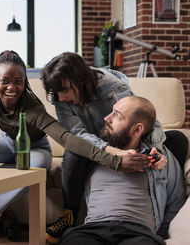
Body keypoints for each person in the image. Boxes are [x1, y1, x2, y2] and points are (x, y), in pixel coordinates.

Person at [0, 50, 149, 243]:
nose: (11, 87)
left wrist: (114, 159)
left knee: (34, 170)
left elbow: (67, 138)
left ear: (25, 82)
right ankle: (4, 213)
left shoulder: (31, 105)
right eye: (4, 81)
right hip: (4, 142)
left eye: (18, 81)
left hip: (34, 147)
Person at [41, 52, 187, 244]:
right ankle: (70, 214)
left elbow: (140, 118)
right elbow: (76, 134)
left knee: (177, 139)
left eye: (65, 90)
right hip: (93, 145)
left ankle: (158, 167)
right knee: (74, 150)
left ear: (80, 80)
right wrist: (114, 154)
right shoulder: (61, 99)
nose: (60, 97)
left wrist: (157, 152)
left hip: (137, 229)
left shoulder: (113, 88)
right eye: (56, 92)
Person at [59, 96, 186, 245]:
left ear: (137, 129)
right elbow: (74, 141)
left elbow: (175, 203)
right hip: (92, 231)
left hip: (138, 233)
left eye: (116, 115)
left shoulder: (160, 159)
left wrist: (160, 238)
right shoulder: (95, 152)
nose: (106, 118)